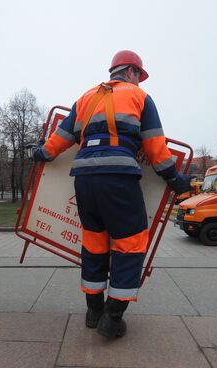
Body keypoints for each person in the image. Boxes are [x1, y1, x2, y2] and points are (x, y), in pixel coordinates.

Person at [33, 50, 191, 338]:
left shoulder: (85, 98)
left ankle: (93, 311)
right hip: (118, 178)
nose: (139, 82)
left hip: (83, 180)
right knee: (130, 244)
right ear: (130, 71)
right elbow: (155, 147)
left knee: (94, 242)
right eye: (139, 76)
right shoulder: (140, 97)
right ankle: (113, 317)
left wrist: (41, 153)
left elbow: (61, 138)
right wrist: (175, 179)